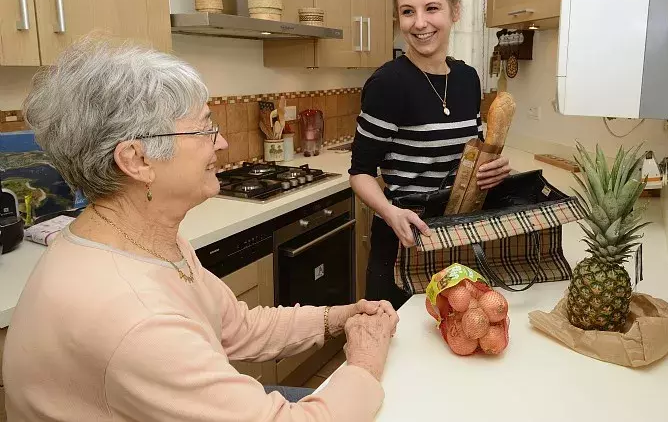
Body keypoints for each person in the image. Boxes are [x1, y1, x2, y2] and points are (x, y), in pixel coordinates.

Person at [2, 39, 397, 422]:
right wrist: (363, 362)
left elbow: (236, 327)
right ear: (136, 160)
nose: (222, 142)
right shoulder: (135, 317)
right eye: (205, 129)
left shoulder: (146, 238)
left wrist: (338, 317)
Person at [349, 0, 511, 310]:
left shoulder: (468, 78)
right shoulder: (388, 84)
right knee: (392, 347)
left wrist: (493, 168)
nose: (419, 23)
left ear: (455, 11)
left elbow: (471, 151)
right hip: (404, 239)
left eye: (431, 8)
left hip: (458, 235)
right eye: (407, 11)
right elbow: (359, 171)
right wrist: (390, 212)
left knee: (454, 341)